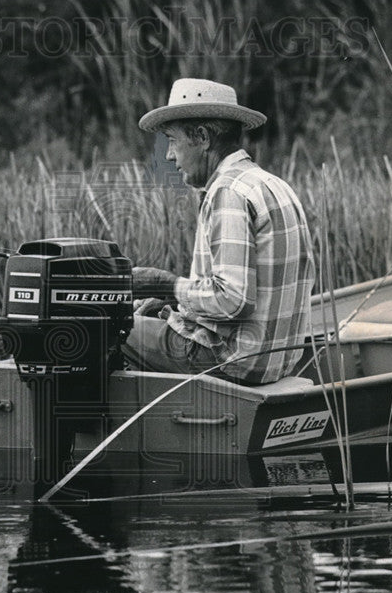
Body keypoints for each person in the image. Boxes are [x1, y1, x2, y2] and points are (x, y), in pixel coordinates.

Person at [122, 78, 314, 384]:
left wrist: (166, 285)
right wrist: (176, 307)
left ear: (202, 137)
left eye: (172, 141)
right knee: (149, 315)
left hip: (231, 362)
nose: (169, 156)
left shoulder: (228, 193)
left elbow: (232, 301)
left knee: (105, 326)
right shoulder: (274, 184)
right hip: (278, 360)